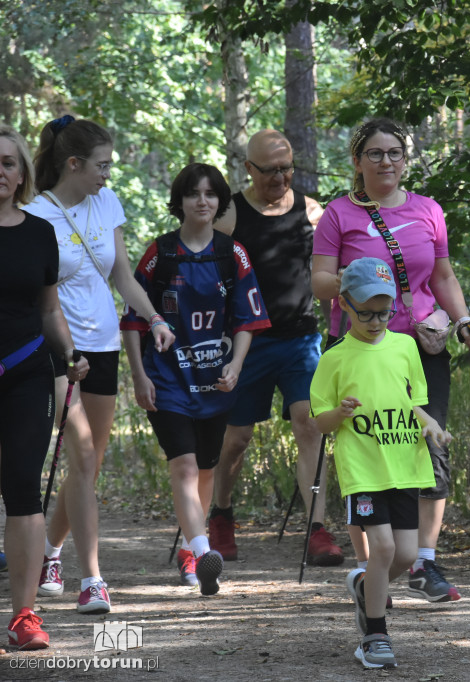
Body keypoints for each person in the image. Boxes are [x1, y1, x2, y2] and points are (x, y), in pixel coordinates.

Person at [312, 118, 470, 602]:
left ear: (406, 159)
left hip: (419, 347)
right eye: (375, 153)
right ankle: (373, 568)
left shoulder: (428, 210)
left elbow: (444, 277)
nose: (386, 162)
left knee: (430, 445)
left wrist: (466, 320)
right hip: (361, 351)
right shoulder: (339, 215)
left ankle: (423, 563)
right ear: (357, 161)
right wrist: (355, 275)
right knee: (365, 447)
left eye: (395, 153)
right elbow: (319, 282)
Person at [24, 116, 175, 615]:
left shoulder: (106, 203)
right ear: (74, 164)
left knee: (91, 464)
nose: (107, 176)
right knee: (83, 456)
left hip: (104, 343)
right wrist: (64, 352)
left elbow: (121, 274)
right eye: (102, 166)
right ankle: (92, 579)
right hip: (59, 349)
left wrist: (153, 317)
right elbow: (35, 298)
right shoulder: (36, 215)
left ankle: (49, 551)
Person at [121, 163, 270, 595]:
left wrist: (236, 365)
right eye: (193, 194)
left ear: (220, 202)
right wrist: (138, 375)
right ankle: (204, 553)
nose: (202, 202)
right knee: (183, 465)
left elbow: (246, 319)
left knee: (206, 468)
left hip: (215, 379)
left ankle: (192, 550)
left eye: (210, 194)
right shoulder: (160, 254)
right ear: (180, 202)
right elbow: (132, 320)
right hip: (167, 379)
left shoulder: (232, 254)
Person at [207, 130, 342, 565]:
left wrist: (342, 322)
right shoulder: (230, 215)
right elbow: (205, 274)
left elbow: (327, 272)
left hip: (300, 338)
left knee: (309, 423)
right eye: (271, 171)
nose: (281, 178)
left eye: (287, 169)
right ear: (249, 169)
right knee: (237, 438)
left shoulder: (312, 212)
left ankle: (318, 529)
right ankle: (222, 516)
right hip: (247, 343)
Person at [310, 257, 451, 669]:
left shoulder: (405, 346)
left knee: (406, 556)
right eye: (367, 312)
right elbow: (319, 421)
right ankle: (374, 635)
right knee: (383, 548)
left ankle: (366, 584)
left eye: (385, 312)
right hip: (364, 469)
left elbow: (415, 402)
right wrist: (339, 413)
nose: (377, 321)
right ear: (345, 305)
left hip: (405, 464)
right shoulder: (335, 357)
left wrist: (432, 427)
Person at [1, 123, 90, 649]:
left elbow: (50, 308)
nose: (1, 171)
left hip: (26, 372)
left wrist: (71, 355)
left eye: (9, 163)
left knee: (22, 491)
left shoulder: (39, 232)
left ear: (22, 174)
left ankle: (23, 617)